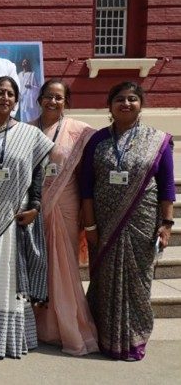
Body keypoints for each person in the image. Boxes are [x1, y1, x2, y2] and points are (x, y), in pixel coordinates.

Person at [79, 81, 175, 361]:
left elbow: (167, 186)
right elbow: (86, 186)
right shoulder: (97, 141)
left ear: (141, 104)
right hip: (104, 225)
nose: (126, 103)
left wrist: (167, 224)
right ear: (110, 105)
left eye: (132, 98)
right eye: (119, 98)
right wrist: (90, 226)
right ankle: (104, 338)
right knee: (105, 281)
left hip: (142, 224)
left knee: (138, 282)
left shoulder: (157, 141)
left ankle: (134, 340)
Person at [0, 76, 53, 359]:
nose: (5, 98)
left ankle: (13, 338)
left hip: (17, 216)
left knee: (14, 278)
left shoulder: (28, 134)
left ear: (17, 101)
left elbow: (39, 172)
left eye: (10, 94)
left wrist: (36, 206)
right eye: (0, 93)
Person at [30, 79, 99, 356]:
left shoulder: (79, 132)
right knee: (39, 265)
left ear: (66, 102)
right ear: (39, 99)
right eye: (48, 96)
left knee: (64, 267)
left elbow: (88, 173)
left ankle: (69, 328)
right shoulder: (27, 127)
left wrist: (87, 209)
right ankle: (41, 328)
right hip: (33, 205)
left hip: (65, 204)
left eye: (59, 98)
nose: (53, 102)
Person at [17, 58, 41, 122]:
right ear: (22, 64)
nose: (25, 63)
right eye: (23, 62)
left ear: (28, 64)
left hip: (30, 101)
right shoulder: (19, 75)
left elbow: (38, 88)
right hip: (22, 100)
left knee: (30, 117)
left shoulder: (32, 74)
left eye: (26, 62)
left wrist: (31, 87)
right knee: (23, 118)